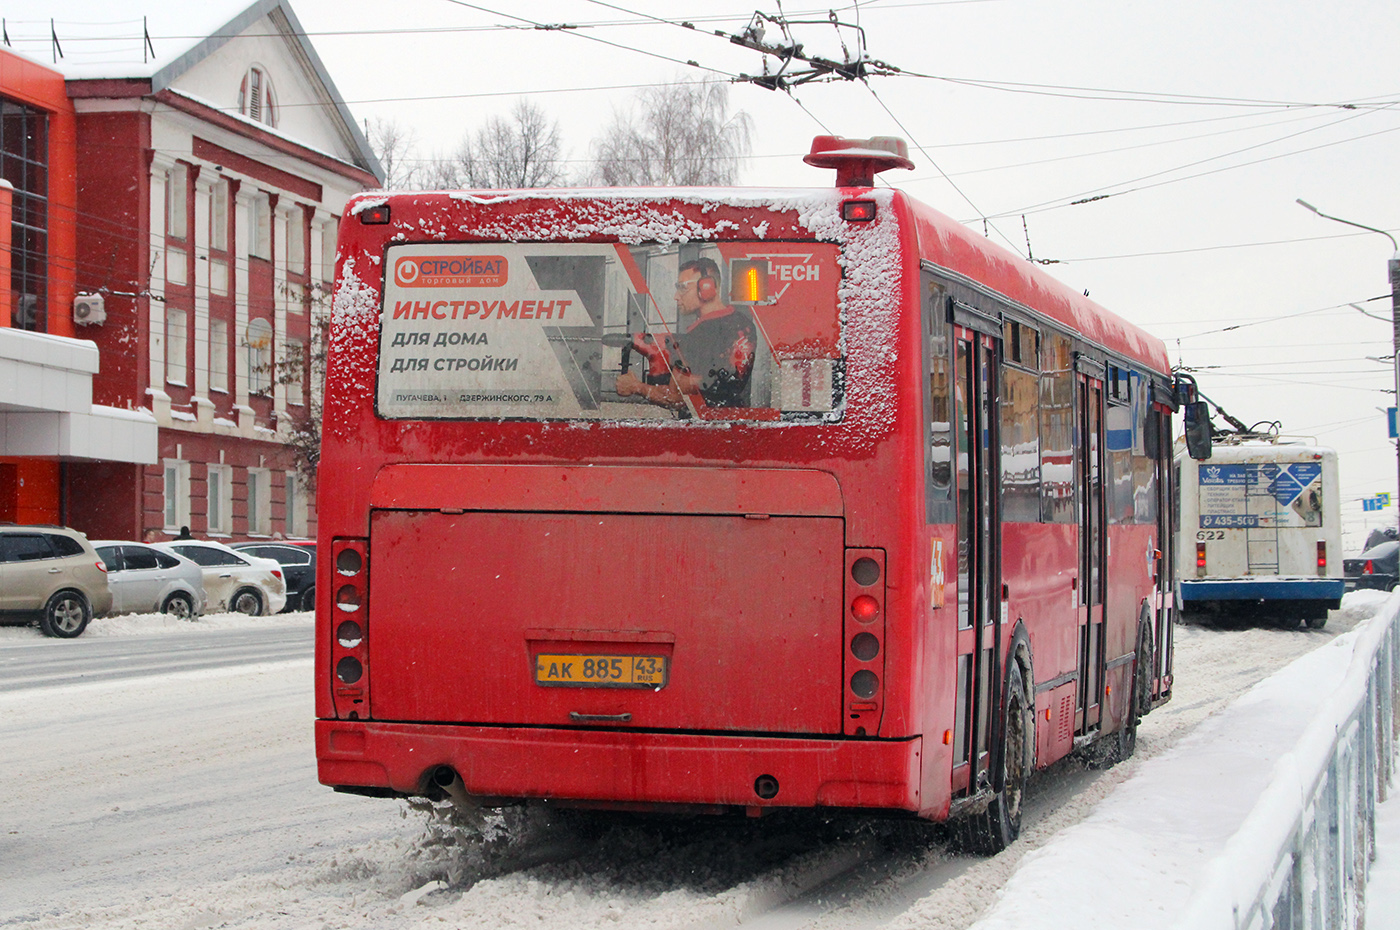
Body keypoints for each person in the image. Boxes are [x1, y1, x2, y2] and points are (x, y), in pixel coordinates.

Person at [615, 257, 756, 412]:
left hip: (700, 429)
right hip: (737, 422)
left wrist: (636, 387)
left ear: (707, 287)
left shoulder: (698, 335)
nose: (676, 296)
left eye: (682, 288)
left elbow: (676, 399)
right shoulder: (744, 323)